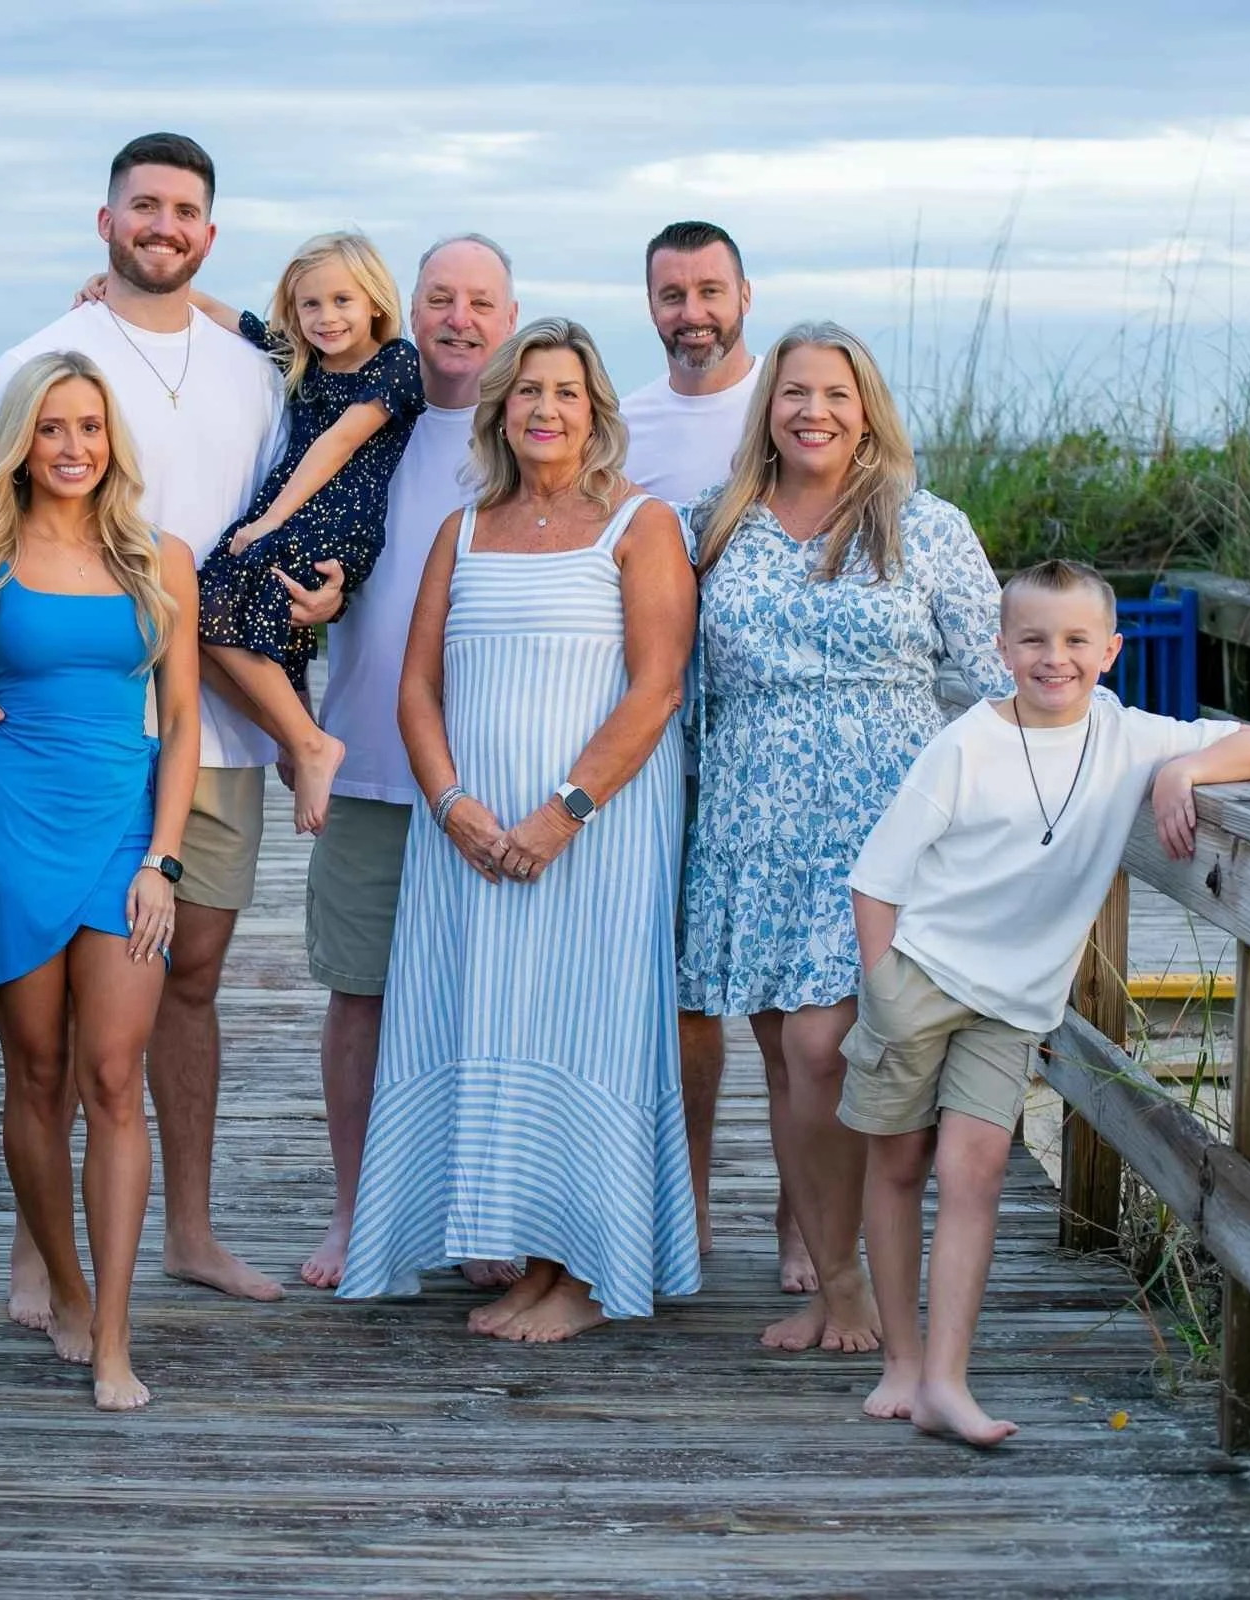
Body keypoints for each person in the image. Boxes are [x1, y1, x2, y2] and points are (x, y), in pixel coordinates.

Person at [0, 132, 342, 1314]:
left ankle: (193, 1231)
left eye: (185, 213)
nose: (163, 227)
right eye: (144, 207)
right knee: (58, 1004)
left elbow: (309, 496)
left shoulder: (256, 371)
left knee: (194, 976)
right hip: (80, 734)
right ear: (105, 220)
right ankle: (38, 1247)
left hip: (221, 728)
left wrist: (327, 594)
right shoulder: (40, 361)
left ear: (209, 237)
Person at [847, 560, 1250, 1443]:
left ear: (1110, 650)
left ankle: (946, 1382)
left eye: (1077, 641)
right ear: (1002, 649)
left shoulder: (1127, 735)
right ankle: (900, 1358)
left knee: (971, 1176)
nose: (1056, 659)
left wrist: (1183, 770)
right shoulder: (966, 743)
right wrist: (885, 988)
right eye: (1035, 640)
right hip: (919, 979)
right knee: (895, 1169)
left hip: (1012, 1004)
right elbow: (876, 880)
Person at [340, 319, 700, 1342]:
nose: (545, 409)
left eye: (567, 392)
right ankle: (533, 1259)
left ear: (597, 414)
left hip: (598, 828)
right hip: (470, 831)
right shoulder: (464, 528)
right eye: (527, 391)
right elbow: (415, 690)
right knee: (489, 1014)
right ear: (499, 410)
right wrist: (453, 804)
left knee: (582, 1021)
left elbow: (657, 686)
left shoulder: (641, 524)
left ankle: (584, 1276)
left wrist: (563, 813)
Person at [677, 320, 1014, 1356]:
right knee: (786, 1057)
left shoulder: (925, 524)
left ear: (866, 407)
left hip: (880, 821)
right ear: (766, 410)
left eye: (833, 392)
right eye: (792, 393)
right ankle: (829, 1282)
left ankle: (855, 1284)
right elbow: (673, 677)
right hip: (752, 819)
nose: (811, 409)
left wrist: (1126, 752)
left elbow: (1003, 673)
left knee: (829, 1048)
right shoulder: (717, 523)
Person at [0, 353, 200, 1412]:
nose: (75, 446)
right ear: (22, 442)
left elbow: (180, 723)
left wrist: (163, 860)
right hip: (12, 827)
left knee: (111, 1075)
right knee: (36, 1076)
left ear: (113, 440)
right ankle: (71, 1287)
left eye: (90, 426)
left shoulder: (157, 558)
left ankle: (117, 1335)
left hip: (124, 828)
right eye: (53, 428)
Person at [298, 233, 519, 1291]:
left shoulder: (531, 433)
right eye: (440, 297)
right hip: (369, 764)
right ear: (407, 311)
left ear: (509, 317)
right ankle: (354, 1213)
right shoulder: (363, 420)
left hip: (496, 782)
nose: (458, 317)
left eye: (480, 300)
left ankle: (479, 1213)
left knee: (485, 998)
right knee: (361, 997)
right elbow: (253, 336)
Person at [618, 220, 789, 1280]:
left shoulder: (794, 403)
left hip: (772, 740)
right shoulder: (624, 426)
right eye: (673, 294)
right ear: (649, 304)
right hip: (665, 733)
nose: (694, 313)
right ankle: (688, 1198)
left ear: (746, 294)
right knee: (678, 993)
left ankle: (801, 1215)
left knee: (785, 997)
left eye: (710, 290)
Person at [161, 231, 423, 835]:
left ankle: (306, 743)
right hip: (288, 509)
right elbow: (225, 314)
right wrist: (118, 288)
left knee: (209, 602)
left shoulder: (396, 361)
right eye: (311, 305)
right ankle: (296, 736)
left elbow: (340, 442)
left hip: (336, 517)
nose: (326, 317)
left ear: (375, 304)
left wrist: (272, 519)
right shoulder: (299, 356)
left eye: (342, 301)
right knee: (191, 618)